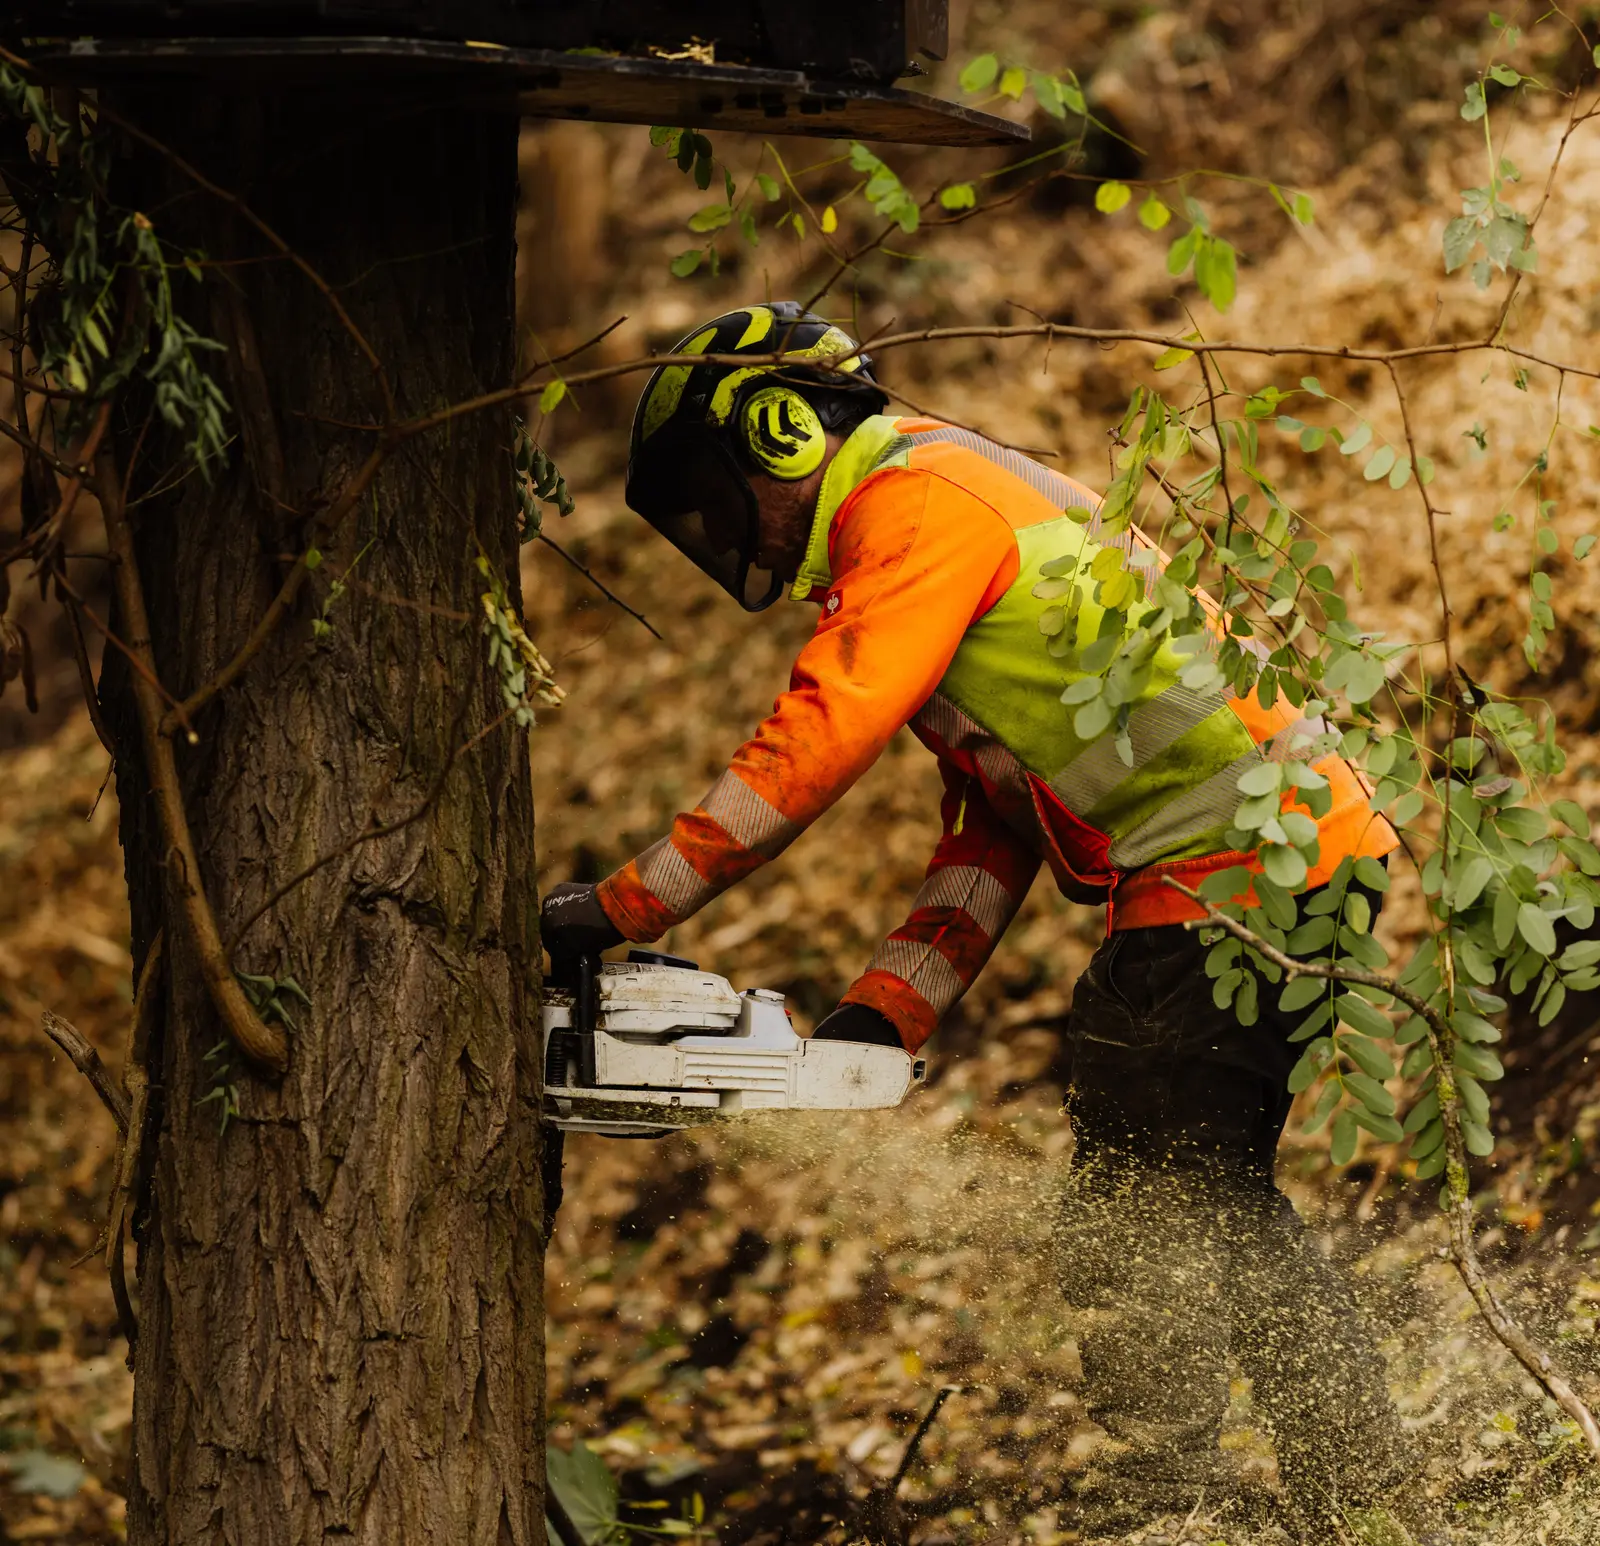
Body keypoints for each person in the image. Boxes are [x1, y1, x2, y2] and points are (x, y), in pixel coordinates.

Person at [541, 302, 1419, 1540]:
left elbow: (816, 739)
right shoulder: (938, 519)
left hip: (1248, 865)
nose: (722, 531)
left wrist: (618, 906)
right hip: (1253, 864)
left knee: (1152, 1195)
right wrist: (879, 1016)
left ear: (781, 431)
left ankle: (1195, 1501)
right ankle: (1324, 1491)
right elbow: (989, 834)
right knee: (1189, 1186)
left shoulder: (913, 510)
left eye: (718, 491)